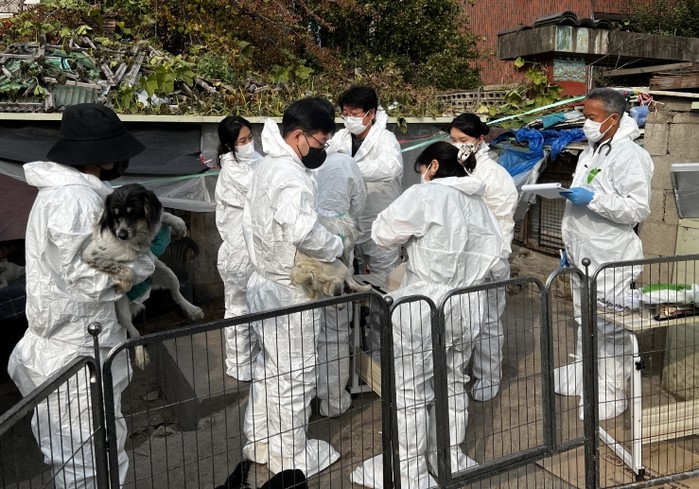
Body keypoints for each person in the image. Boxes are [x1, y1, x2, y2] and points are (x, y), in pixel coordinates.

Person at [7, 103, 156, 489]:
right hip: (74, 352)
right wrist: (144, 260)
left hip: (78, 344)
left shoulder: (70, 194)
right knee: (87, 463)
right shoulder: (74, 199)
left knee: (95, 455)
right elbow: (92, 277)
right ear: (102, 154)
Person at [351, 142, 503, 489]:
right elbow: (496, 254)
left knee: (411, 390)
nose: (420, 176)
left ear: (432, 166)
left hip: (424, 304)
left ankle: (411, 473)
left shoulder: (426, 196)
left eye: (421, 169)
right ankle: (448, 457)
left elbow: (383, 234)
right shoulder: (479, 203)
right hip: (467, 302)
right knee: (453, 381)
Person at [241, 98, 345, 476]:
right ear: (298, 136)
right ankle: (290, 456)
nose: (322, 149)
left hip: (263, 281)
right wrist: (335, 246)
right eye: (320, 142)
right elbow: (302, 230)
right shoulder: (289, 175)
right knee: (296, 375)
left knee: (268, 367)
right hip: (289, 289)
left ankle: (260, 442)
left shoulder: (267, 164)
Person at [555, 88, 654, 420]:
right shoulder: (591, 150)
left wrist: (593, 199)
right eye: (585, 116)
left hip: (611, 256)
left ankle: (612, 394)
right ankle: (587, 377)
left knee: (609, 327)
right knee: (584, 320)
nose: (586, 123)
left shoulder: (630, 155)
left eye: (592, 117)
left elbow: (637, 209)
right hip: (583, 254)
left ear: (613, 118)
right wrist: (569, 247)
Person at [448, 113, 518, 402]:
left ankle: (489, 375)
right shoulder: (456, 168)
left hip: (488, 259)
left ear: (479, 139)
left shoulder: (494, 175)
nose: (457, 145)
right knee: (461, 321)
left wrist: (494, 259)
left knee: (488, 321)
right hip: (460, 259)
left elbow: (503, 221)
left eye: (463, 140)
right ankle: (460, 372)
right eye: (453, 139)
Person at [327, 85, 403, 285]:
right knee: (354, 274)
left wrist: (350, 169)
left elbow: (390, 167)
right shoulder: (340, 137)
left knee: (384, 275)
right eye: (345, 114)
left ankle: (384, 307)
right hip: (351, 218)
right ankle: (362, 306)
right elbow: (326, 163)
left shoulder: (385, 139)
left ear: (371, 114)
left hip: (379, 217)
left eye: (354, 114)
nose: (349, 118)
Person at [313, 151, 367, 417]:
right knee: (336, 330)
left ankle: (311, 395)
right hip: (338, 239)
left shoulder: (305, 163)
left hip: (310, 242)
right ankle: (334, 402)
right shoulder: (346, 162)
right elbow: (359, 201)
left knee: (310, 327)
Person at [215, 115, 264, 381]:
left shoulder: (256, 160)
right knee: (238, 308)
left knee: (255, 307)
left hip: (255, 248)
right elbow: (261, 190)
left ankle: (252, 361)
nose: (248, 144)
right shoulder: (231, 170)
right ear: (229, 145)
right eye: (242, 141)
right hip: (237, 251)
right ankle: (238, 365)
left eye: (250, 137)